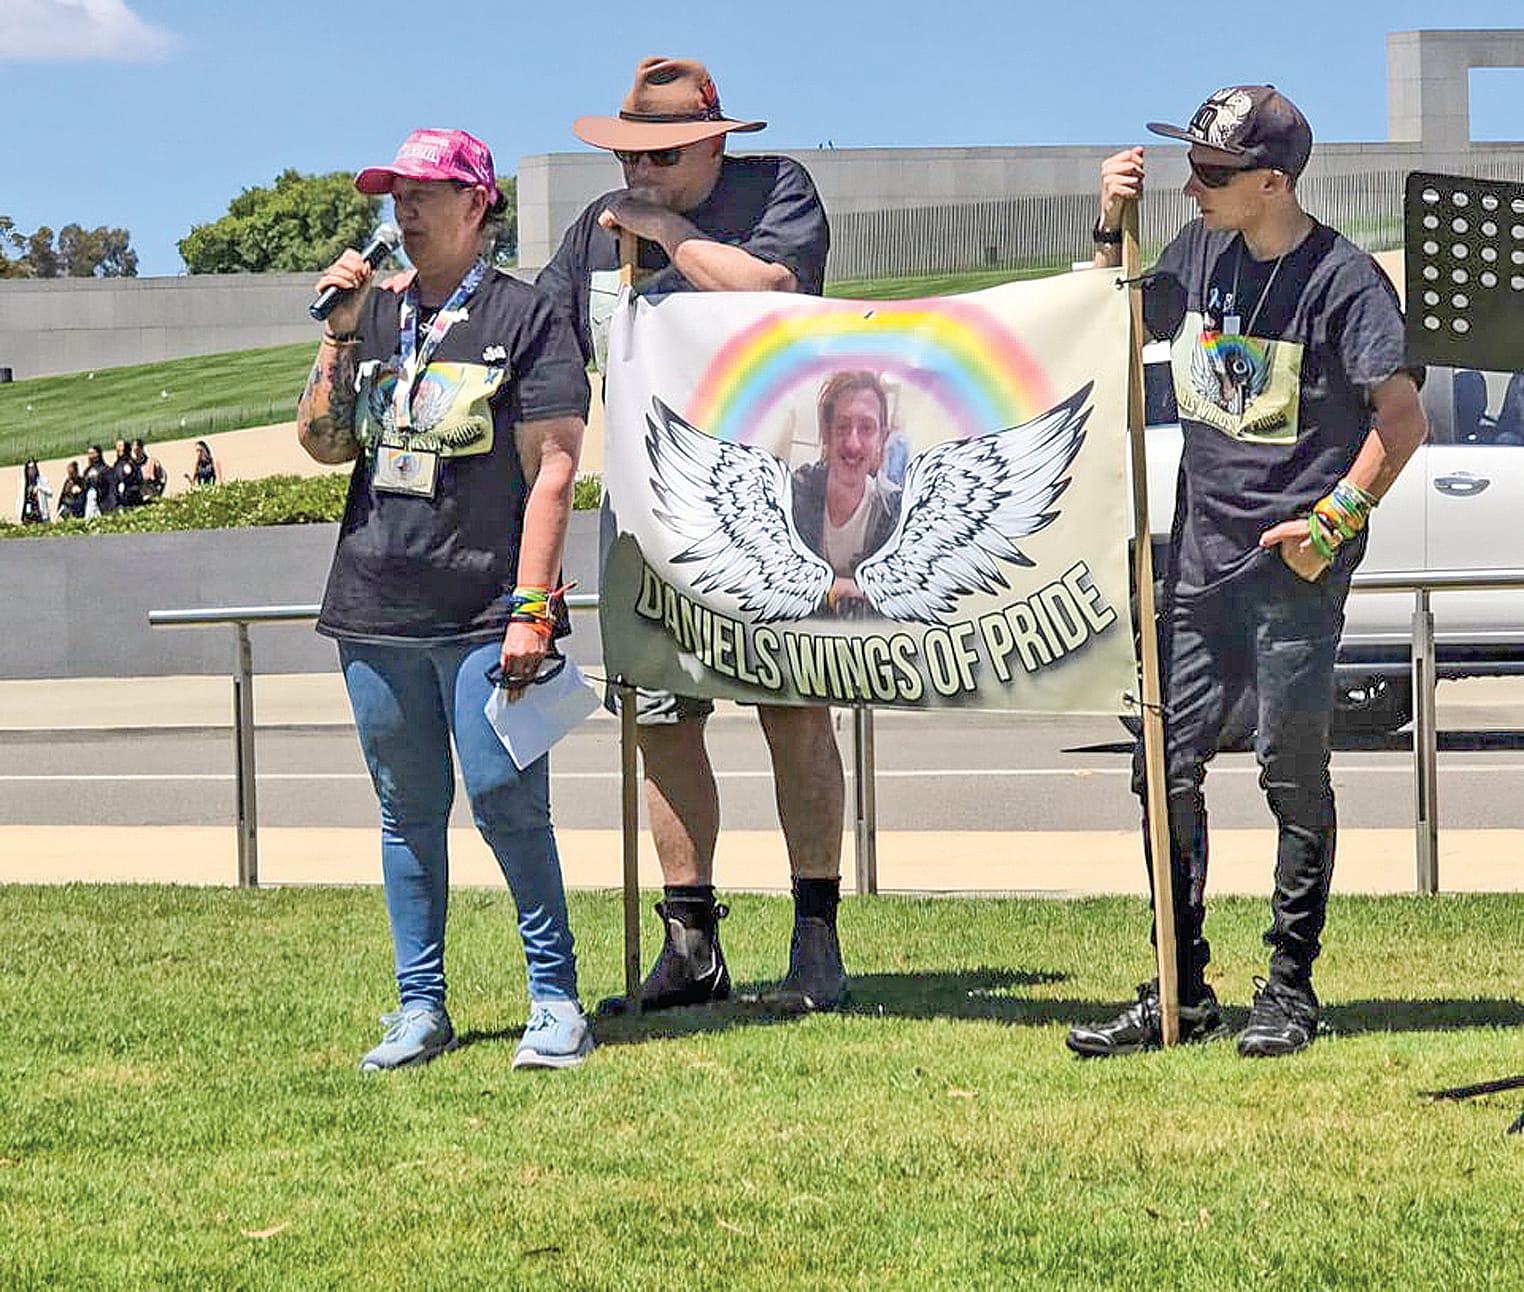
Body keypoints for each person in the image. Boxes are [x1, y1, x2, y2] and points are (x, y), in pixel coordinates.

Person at [1066, 86, 1427, 1059]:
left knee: (1288, 770)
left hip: (1293, 569)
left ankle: (1289, 988)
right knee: (1163, 767)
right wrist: (1111, 221)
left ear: (1273, 182)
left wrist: (1331, 520)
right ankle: (1179, 987)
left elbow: (1403, 423)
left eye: (1215, 174)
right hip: (1199, 562)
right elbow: (1111, 320)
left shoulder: (1344, 282)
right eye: (1191, 168)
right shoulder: (1196, 253)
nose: (1192, 186)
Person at [538, 57, 848, 1014]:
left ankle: (815, 937)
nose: (638, 171)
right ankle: (690, 941)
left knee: (791, 714)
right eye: (627, 153)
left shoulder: (776, 190)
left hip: (771, 511)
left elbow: (776, 296)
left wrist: (670, 233)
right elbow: (548, 349)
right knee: (662, 725)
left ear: (715, 142)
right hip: (647, 514)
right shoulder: (595, 231)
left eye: (661, 153)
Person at [297, 127, 594, 1072]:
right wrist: (339, 334)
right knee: (406, 813)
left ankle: (554, 998)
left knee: (507, 800)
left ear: (479, 204)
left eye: (425, 193)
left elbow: (554, 470)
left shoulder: (528, 315)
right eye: (396, 196)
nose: (405, 212)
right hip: (375, 601)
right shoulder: (375, 315)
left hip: (482, 608)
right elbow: (323, 443)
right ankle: (419, 1008)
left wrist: (532, 607)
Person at [790, 371, 903, 610]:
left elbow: (897, 599)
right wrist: (847, 588)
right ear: (827, 434)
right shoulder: (795, 494)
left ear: (882, 437)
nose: (853, 443)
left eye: (866, 428)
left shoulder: (894, 512)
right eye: (842, 427)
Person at [16, 459, 51, 525]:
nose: (32, 471)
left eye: (33, 469)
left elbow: (50, 492)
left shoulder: (41, 479)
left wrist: (39, 488)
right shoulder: (23, 482)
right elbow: (20, 498)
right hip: (27, 512)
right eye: (30, 469)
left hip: (39, 512)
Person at [82, 444, 113, 515]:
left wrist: (98, 480)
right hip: (89, 502)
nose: (90, 456)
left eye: (93, 454)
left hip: (102, 502)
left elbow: (108, 487)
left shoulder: (105, 469)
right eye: (89, 454)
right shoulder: (87, 471)